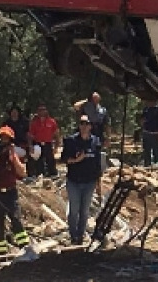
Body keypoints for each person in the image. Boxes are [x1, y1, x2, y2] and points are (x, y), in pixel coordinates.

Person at [60, 114, 103, 245]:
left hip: (89, 181)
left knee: (84, 211)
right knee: (74, 210)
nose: (84, 127)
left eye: (87, 124)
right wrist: (76, 160)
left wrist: (98, 183)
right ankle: (73, 235)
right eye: (82, 124)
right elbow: (63, 159)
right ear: (79, 126)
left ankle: (80, 234)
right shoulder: (71, 141)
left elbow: (97, 164)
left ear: (90, 126)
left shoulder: (95, 142)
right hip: (74, 181)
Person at [0, 126, 30, 255]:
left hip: (11, 192)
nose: (4, 141)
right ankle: (1, 251)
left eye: (7, 138)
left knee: (16, 219)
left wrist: (12, 155)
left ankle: (24, 247)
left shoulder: (13, 154)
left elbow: (22, 173)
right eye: (2, 138)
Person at [28, 104, 60, 178]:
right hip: (37, 144)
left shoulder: (52, 121)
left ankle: (52, 173)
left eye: (43, 109)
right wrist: (30, 145)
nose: (42, 111)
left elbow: (56, 134)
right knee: (38, 159)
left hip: (48, 143)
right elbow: (30, 136)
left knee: (50, 158)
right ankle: (39, 174)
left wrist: (56, 146)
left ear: (46, 111)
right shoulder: (34, 123)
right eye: (40, 110)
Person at [141, 98, 158, 166]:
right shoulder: (146, 109)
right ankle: (147, 167)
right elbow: (142, 120)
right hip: (147, 133)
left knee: (157, 152)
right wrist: (143, 127)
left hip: (156, 133)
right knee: (146, 152)